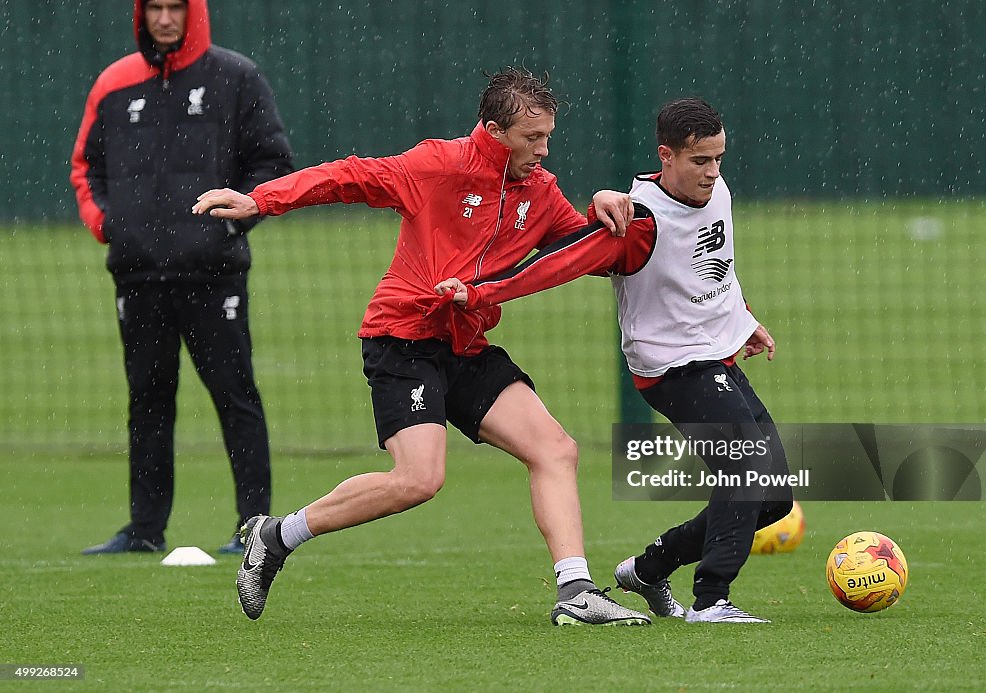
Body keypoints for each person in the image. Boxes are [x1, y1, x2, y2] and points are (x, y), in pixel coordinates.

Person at [191, 68, 651, 626]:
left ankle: (576, 594)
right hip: (401, 339)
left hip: (465, 343)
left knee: (555, 449)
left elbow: (578, 249)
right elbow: (348, 176)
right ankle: (276, 534)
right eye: (532, 138)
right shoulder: (440, 165)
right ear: (494, 130)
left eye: (549, 136)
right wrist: (263, 201)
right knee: (418, 480)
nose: (544, 149)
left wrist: (607, 205)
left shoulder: (540, 191)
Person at [433, 97, 794, 623]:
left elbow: (714, 269)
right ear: (665, 156)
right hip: (674, 368)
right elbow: (556, 264)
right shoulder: (638, 221)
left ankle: (648, 570)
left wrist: (744, 319)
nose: (712, 173)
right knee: (740, 469)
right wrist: (479, 294)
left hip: (717, 356)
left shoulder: (717, 192)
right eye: (700, 161)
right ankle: (712, 600)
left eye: (719, 159)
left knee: (775, 497)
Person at [70, 0, 294, 555]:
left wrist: (235, 220)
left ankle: (253, 528)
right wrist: (108, 225)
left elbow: (273, 164)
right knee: (147, 401)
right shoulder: (114, 83)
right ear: (141, 15)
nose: (164, 19)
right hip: (139, 277)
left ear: (193, 13)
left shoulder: (236, 77)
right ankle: (144, 531)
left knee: (235, 397)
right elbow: (85, 166)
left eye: (175, 7)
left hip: (212, 275)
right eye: (155, 8)